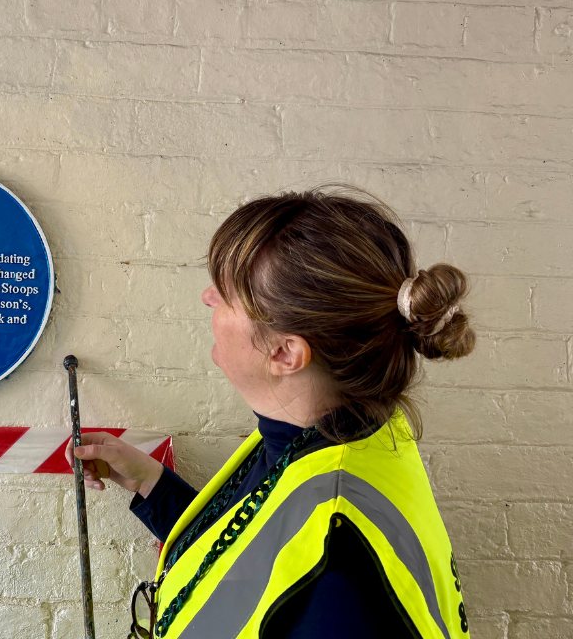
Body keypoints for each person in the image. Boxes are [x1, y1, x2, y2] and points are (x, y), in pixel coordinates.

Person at [66, 184, 476, 639]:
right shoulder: (327, 433)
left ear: (285, 354)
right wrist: (150, 484)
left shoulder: (338, 575)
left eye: (225, 293)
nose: (207, 298)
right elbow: (259, 559)